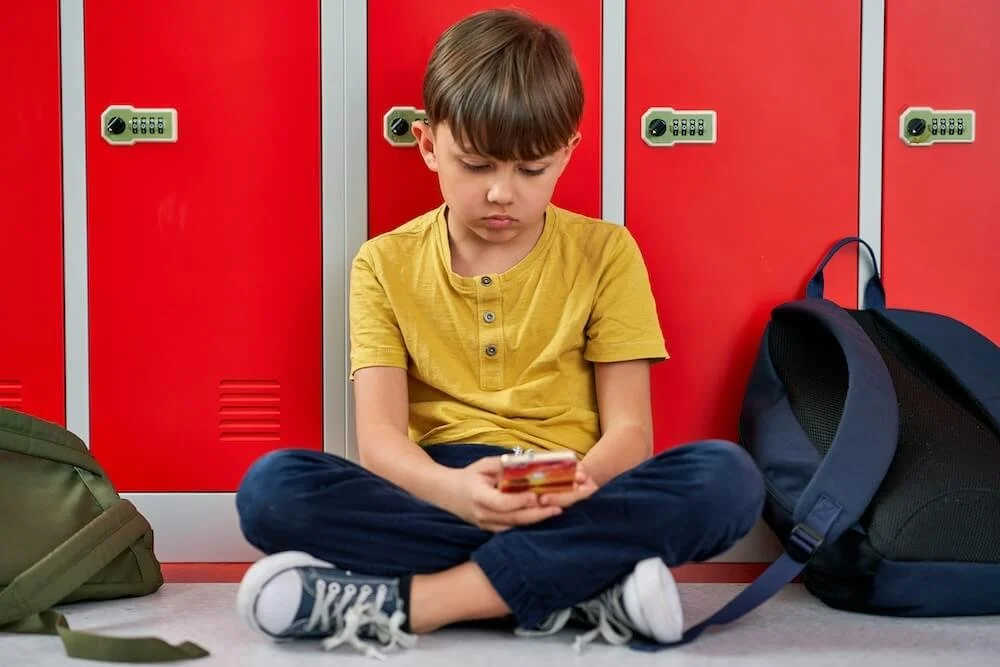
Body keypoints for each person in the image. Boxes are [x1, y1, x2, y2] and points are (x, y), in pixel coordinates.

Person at [233, 8, 764, 659]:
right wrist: (458, 491)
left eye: (531, 170)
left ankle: (413, 603)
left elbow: (631, 433)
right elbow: (379, 440)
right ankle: (583, 584)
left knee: (728, 479)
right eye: (477, 165)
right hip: (442, 489)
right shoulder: (382, 263)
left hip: (573, 486)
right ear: (428, 144)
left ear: (567, 151)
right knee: (271, 490)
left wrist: (562, 491)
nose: (501, 194)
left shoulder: (606, 252)